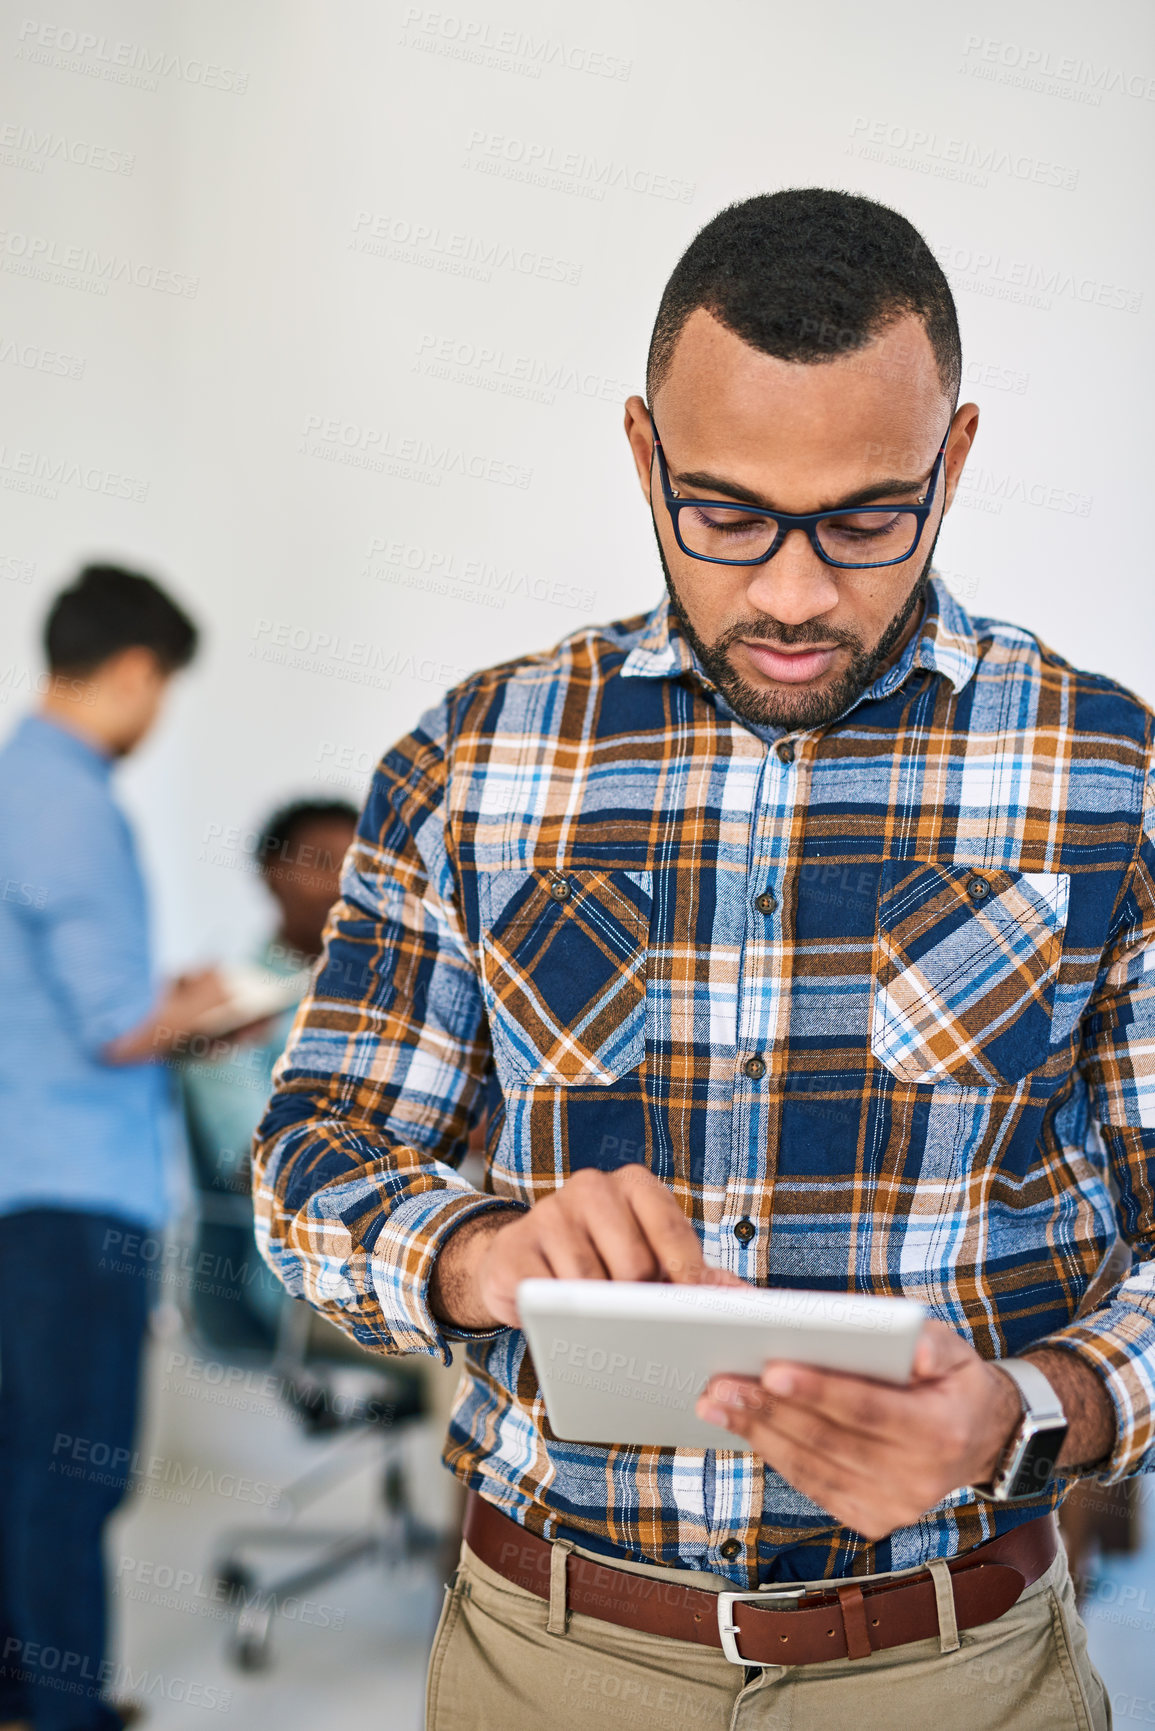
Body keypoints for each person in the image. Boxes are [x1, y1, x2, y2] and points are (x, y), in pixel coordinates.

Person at [251, 191, 1153, 1728]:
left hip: (952, 1665)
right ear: (638, 450)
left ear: (956, 457)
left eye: (866, 517)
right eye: (723, 513)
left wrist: (1026, 1407)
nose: (792, 593)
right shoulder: (475, 759)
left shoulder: (1103, 776)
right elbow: (308, 1163)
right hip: (543, 1656)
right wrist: (477, 1253)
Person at [0, 566, 227, 1731]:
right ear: (136, 671)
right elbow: (114, 1030)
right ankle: (65, 1713)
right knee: (71, 1472)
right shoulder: (75, 800)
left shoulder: (12, 784)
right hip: (74, 1195)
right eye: (164, 690)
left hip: (14, 1180)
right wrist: (234, 1007)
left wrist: (157, 999)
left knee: (17, 1465)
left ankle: (23, 1694)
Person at [178, 798, 359, 1347]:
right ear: (273, 874)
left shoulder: (387, 1006)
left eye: (360, 865)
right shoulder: (228, 1013)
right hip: (290, 1290)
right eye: (322, 861)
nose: (342, 883)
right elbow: (256, 1160)